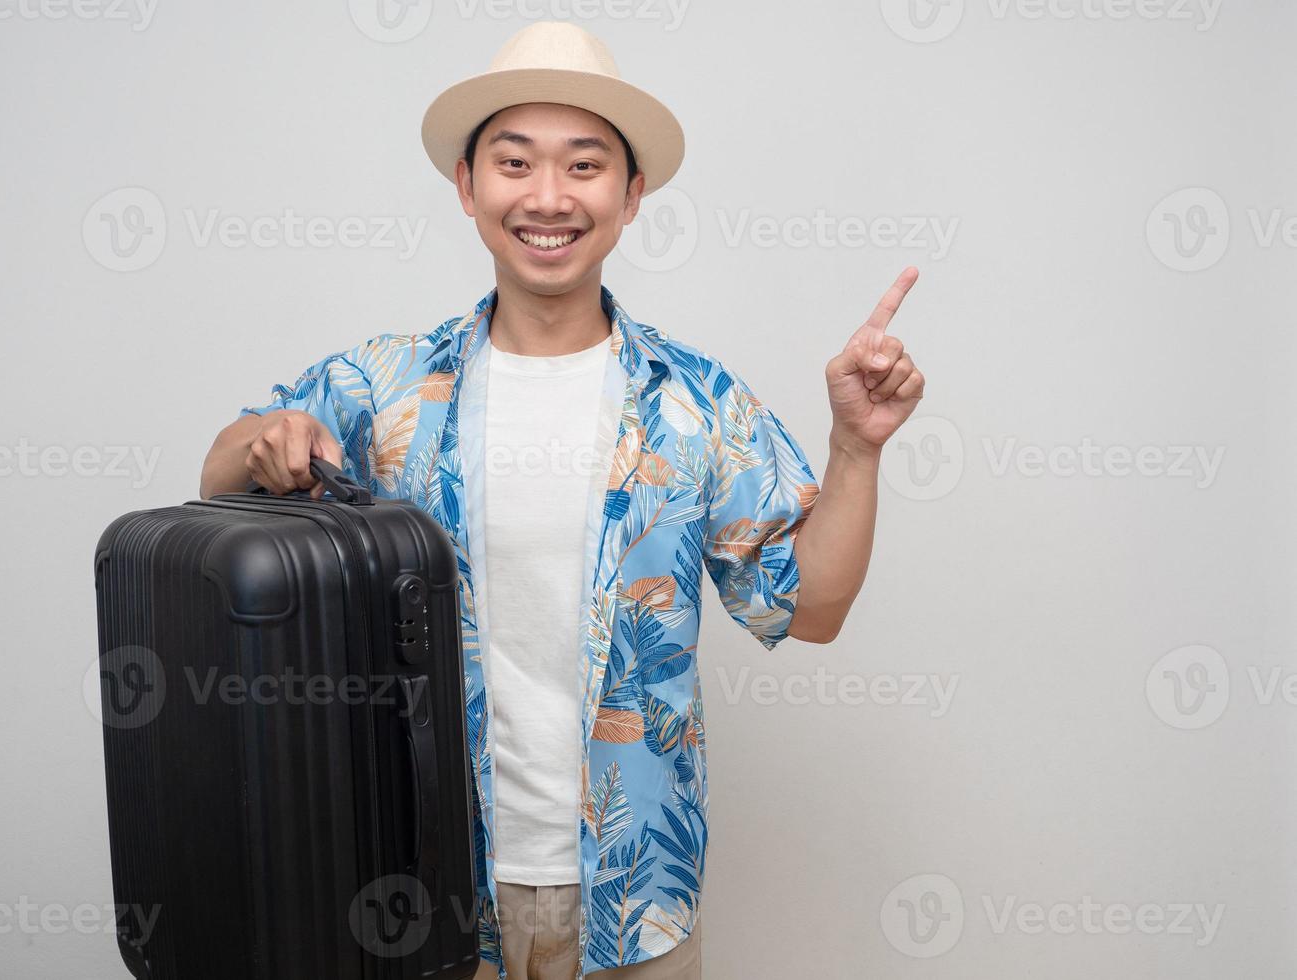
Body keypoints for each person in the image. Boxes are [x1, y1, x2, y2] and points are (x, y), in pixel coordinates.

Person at [199, 21, 925, 980]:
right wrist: (262, 444)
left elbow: (813, 608)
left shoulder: (695, 405)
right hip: (418, 877)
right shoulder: (387, 389)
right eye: (514, 163)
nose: (547, 197)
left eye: (584, 166)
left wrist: (853, 450)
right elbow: (218, 474)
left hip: (635, 893)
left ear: (630, 197)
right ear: (467, 187)